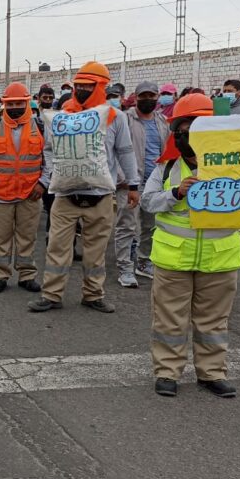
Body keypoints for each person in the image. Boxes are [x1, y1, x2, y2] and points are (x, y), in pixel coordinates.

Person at [142, 94, 240, 398]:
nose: (191, 136)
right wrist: (176, 194)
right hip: (173, 258)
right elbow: (147, 202)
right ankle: (167, 372)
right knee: (170, 320)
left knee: (213, 322)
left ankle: (212, 373)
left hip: (219, 259)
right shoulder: (168, 169)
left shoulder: (237, 164)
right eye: (185, 129)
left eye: (199, 128)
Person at [29, 61, 139, 314]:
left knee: (95, 253)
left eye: (87, 86)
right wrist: (51, 173)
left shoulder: (115, 118)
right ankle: (52, 295)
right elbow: (48, 149)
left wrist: (133, 185)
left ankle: (93, 295)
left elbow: (125, 152)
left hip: (100, 198)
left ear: (100, 86)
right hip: (66, 197)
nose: (80, 90)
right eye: (77, 86)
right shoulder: (61, 117)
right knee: (57, 249)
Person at [0, 83, 51, 293]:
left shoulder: (41, 127)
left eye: (19, 103)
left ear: (27, 103)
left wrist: (43, 183)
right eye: (11, 103)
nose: (15, 106)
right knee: (1, 237)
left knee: (27, 237)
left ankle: (27, 275)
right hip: (0, 193)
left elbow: (49, 160)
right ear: (5, 105)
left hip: (30, 193)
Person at [112, 81, 170, 288]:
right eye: (143, 96)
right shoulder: (124, 119)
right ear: (135, 98)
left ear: (157, 97)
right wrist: (122, 178)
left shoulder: (163, 122)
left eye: (151, 96)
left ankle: (144, 262)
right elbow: (114, 149)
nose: (148, 100)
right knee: (127, 226)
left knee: (150, 226)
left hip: (154, 184)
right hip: (129, 183)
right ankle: (125, 267)